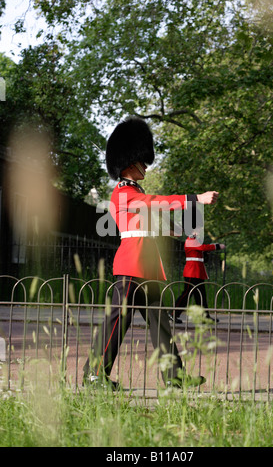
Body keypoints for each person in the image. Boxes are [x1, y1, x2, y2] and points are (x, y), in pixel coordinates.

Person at [83, 116, 219, 389]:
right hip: (132, 267)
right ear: (128, 162)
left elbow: (148, 218)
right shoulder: (122, 192)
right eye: (142, 161)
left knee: (162, 327)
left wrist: (169, 230)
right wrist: (195, 198)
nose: (146, 165)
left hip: (149, 270)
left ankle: (175, 378)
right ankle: (93, 375)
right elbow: (154, 203)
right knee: (116, 323)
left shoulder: (134, 191)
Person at [169, 234, 226, 324]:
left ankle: (204, 317)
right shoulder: (190, 240)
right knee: (186, 294)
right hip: (192, 272)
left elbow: (199, 252)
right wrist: (217, 246)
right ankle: (173, 314)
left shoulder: (194, 240)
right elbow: (202, 247)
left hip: (197, 272)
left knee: (201, 296)